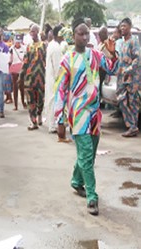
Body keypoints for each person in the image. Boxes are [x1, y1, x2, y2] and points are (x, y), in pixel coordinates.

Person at [54, 18, 119, 216]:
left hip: (95, 114)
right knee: (86, 153)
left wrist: (112, 51)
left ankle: (76, 181)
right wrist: (60, 119)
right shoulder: (67, 60)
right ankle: (92, 197)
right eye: (80, 34)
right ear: (73, 36)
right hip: (79, 113)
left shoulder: (96, 55)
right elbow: (60, 90)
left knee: (88, 154)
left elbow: (113, 69)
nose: (84, 36)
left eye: (86, 33)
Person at [20, 24, 47, 130]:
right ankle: (33, 122)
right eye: (31, 31)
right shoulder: (29, 47)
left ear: (38, 32)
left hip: (41, 78)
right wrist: (21, 76)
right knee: (30, 100)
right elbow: (25, 62)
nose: (32, 33)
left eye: (34, 31)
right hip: (29, 78)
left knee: (40, 100)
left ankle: (39, 114)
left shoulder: (44, 46)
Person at [117, 18, 140, 137]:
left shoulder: (133, 41)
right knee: (122, 100)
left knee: (133, 102)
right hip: (122, 78)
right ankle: (132, 125)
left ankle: (132, 127)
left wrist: (128, 70)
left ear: (130, 27)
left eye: (124, 26)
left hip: (132, 79)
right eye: (121, 26)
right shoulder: (122, 43)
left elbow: (138, 59)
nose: (122, 28)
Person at [45, 25, 64, 134]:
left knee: (51, 99)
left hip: (50, 76)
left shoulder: (52, 45)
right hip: (54, 78)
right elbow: (57, 67)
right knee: (53, 100)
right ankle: (52, 125)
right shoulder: (56, 48)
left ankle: (52, 123)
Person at [9, 34, 27, 111]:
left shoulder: (24, 48)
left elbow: (26, 59)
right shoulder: (11, 49)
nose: (17, 43)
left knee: (22, 87)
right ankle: (15, 105)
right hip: (14, 70)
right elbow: (9, 60)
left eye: (19, 42)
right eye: (16, 42)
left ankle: (23, 102)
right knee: (15, 87)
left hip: (22, 70)